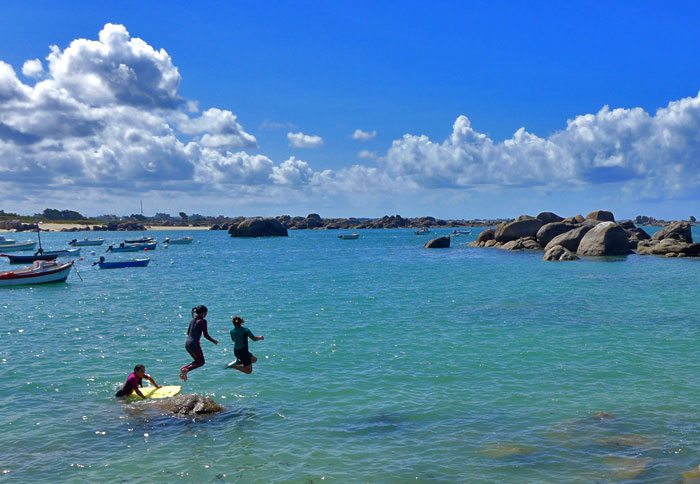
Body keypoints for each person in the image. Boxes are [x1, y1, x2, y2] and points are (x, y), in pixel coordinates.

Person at [180, 305, 217, 381]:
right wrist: (213, 341)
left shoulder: (192, 320)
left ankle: (184, 369)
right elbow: (206, 335)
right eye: (206, 313)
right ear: (203, 313)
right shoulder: (203, 321)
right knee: (201, 362)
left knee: (197, 361)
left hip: (187, 343)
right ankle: (186, 370)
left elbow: (188, 333)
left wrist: (196, 340)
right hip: (194, 344)